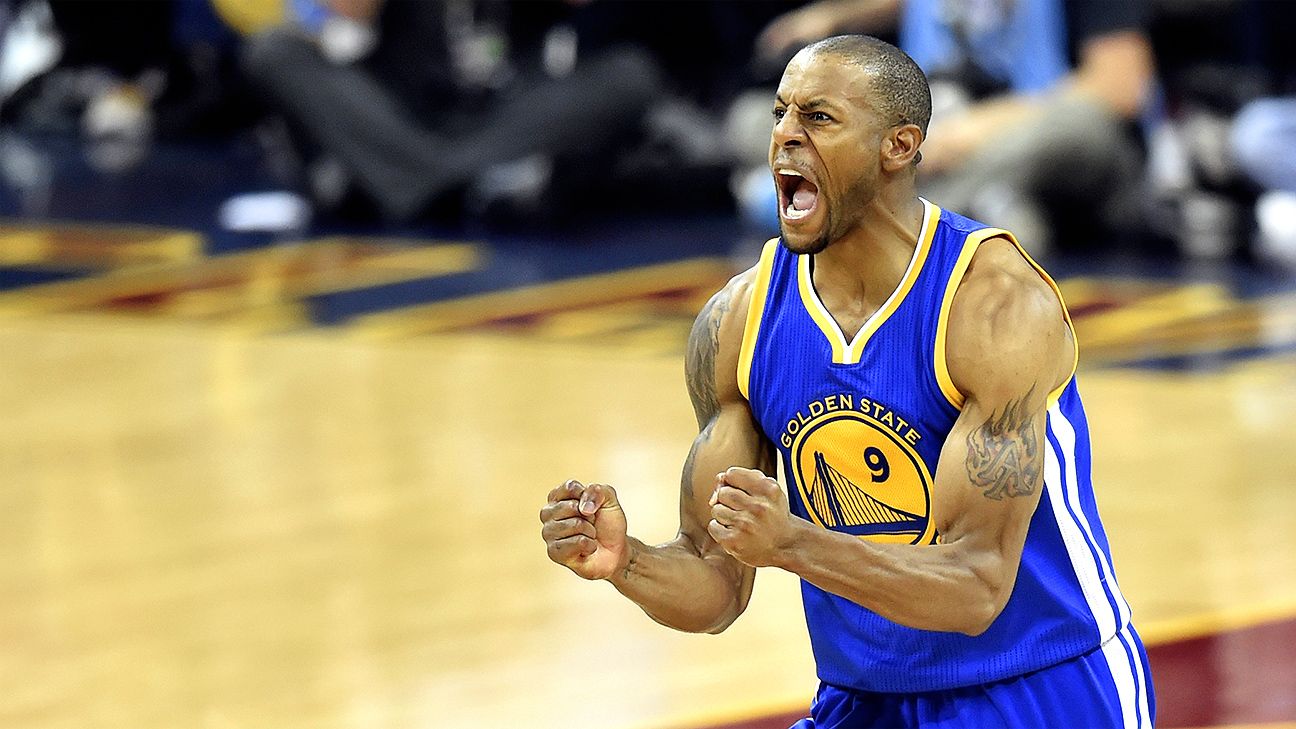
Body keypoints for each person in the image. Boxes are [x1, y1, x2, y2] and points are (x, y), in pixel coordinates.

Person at [539, 35, 1153, 728]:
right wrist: (628, 562)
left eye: (818, 118)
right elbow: (715, 585)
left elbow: (977, 587)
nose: (784, 138)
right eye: (780, 114)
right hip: (864, 697)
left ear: (898, 146)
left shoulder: (993, 304)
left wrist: (793, 542)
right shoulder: (738, 323)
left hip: (1037, 685)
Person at [752, 0, 1155, 254]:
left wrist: (978, 128)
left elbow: (1118, 86)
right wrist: (833, 15)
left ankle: (877, 212)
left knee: (1079, 126)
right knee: (754, 120)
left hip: (1034, 135)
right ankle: (980, 217)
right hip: (931, 138)